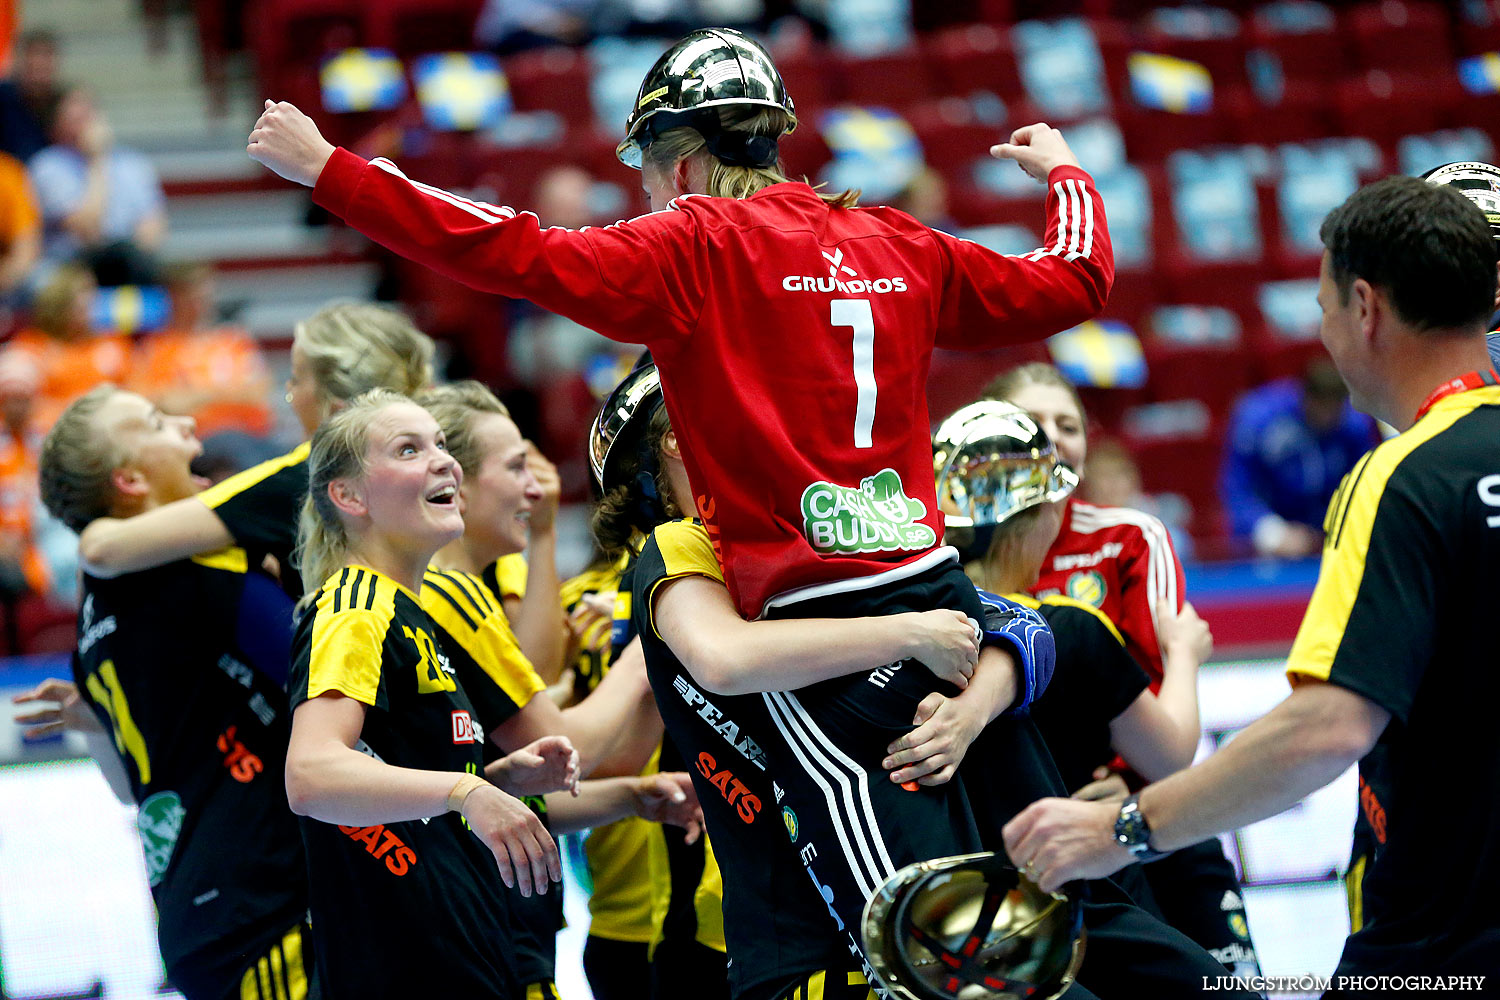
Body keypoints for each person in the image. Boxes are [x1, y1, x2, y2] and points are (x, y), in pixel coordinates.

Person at [247, 25, 1111, 955]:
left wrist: (332, 171)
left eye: (649, 176)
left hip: (825, 650)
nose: (648, 197)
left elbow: (509, 248)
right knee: (1032, 947)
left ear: (685, 163)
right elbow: (1074, 281)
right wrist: (1065, 175)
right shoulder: (899, 239)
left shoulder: (692, 247)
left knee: (925, 957)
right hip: (944, 605)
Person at [602, 366, 1253, 1000]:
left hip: (982, 871)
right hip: (823, 922)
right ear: (680, 439)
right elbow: (724, 658)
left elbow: (1021, 623)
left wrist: (975, 705)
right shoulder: (681, 544)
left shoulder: (801, 529)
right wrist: (909, 634)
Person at [1003, 175, 1500, 986]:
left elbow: (1328, 728)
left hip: (1442, 945)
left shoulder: (1402, 479)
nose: (1326, 333)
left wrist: (1127, 829)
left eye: (1324, 308)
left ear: (1365, 308)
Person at [26, 385, 314, 1000]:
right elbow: (335, 690)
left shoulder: (92, 616)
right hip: (267, 907)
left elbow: (133, 787)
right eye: (158, 422)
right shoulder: (196, 568)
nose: (188, 425)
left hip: (201, 912)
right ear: (130, 480)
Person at [283, 389, 561, 997]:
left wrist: (497, 780)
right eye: (409, 449)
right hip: (405, 970)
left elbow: (402, 783)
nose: (444, 461)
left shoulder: (410, 611)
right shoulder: (353, 608)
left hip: (467, 956)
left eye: (440, 444)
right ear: (349, 497)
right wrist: (465, 791)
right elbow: (310, 775)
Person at [986, 361, 1261, 974]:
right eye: (1035, 423)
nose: (1055, 438)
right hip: (1021, 831)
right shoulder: (958, 548)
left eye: (1070, 426)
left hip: (1143, 807)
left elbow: (1162, 679)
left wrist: (1123, 777)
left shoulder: (1130, 536)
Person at [77, 301, 434, 595]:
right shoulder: (450, 457)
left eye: (296, 380)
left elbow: (104, 550)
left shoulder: (301, 479)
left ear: (336, 408)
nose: (290, 396)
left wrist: (84, 519)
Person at [1219, 358, 1380, 559]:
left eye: (1335, 410)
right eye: (1323, 408)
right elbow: (1238, 489)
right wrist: (1271, 533)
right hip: (1265, 544)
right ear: (1306, 399)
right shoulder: (1258, 421)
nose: (1328, 418)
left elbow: (1364, 487)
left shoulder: (1354, 426)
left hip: (1329, 540)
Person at [131, 261, 278, 477]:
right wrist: (227, 394)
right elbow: (150, 404)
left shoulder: (233, 339)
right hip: (195, 443)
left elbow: (258, 394)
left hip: (250, 438)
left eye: (204, 291)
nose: (200, 300)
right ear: (173, 297)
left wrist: (198, 396)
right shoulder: (155, 349)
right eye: (191, 293)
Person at [29, 85, 166, 287]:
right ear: (57, 125)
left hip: (130, 264)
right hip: (74, 266)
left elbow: (154, 227)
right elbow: (87, 229)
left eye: (89, 113)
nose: (86, 124)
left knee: (138, 262)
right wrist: (96, 161)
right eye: (76, 118)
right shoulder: (47, 166)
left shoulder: (133, 163)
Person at [0, 261, 131, 432]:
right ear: (58, 306)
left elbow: (131, 394)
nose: (88, 309)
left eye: (91, 300)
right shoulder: (30, 347)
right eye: (79, 305)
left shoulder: (112, 345)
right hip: (45, 436)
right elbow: (17, 408)